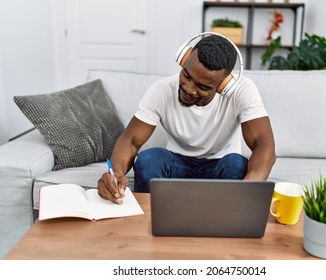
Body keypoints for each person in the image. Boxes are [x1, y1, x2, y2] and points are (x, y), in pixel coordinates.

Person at [97, 33, 276, 204]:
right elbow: (130, 141)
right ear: (184, 60)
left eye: (203, 86)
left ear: (223, 86)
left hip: (221, 167)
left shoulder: (241, 91)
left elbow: (263, 144)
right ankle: (146, 219)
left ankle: (224, 219)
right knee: (148, 159)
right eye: (187, 76)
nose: (189, 89)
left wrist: (249, 186)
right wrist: (116, 174)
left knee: (236, 164)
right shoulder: (161, 90)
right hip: (176, 164)